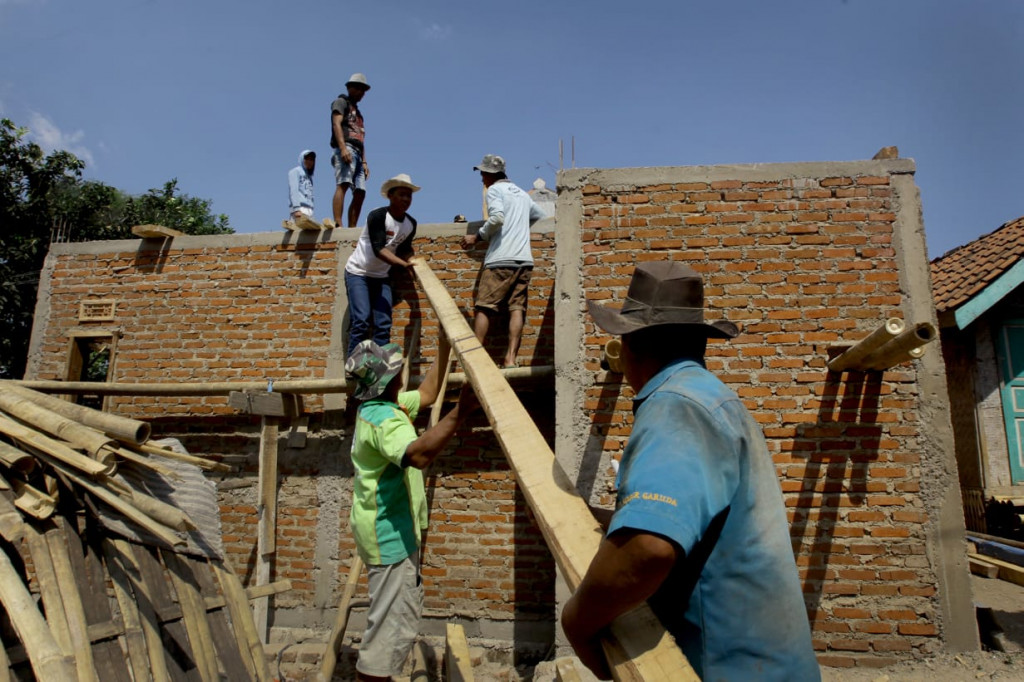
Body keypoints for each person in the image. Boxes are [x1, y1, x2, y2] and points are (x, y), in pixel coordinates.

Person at [561, 261, 820, 681]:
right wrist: (605, 522)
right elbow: (692, 532)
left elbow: (650, 548)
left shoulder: (675, 406)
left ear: (631, 345)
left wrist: (577, 621)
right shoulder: (710, 398)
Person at [345, 339, 478, 681]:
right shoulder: (384, 419)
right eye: (397, 366)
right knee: (388, 637)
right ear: (392, 378)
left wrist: (445, 345)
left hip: (387, 528)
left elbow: (429, 393)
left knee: (392, 623)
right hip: (388, 534)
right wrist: (461, 412)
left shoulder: (383, 405)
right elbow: (417, 455)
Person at [460, 154, 545, 368]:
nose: (481, 178)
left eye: (482, 174)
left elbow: (497, 218)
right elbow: (538, 215)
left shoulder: (494, 190)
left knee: (484, 307)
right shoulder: (523, 195)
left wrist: (476, 236)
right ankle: (510, 359)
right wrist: (518, 226)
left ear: (490, 174)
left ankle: (476, 359)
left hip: (500, 259)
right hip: (524, 260)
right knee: (517, 307)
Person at [344, 174, 420, 358]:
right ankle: (353, 365)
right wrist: (404, 265)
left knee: (383, 323)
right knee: (361, 320)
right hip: (358, 273)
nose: (406, 200)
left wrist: (415, 262)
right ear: (390, 196)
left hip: (381, 278)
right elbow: (379, 250)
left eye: (409, 196)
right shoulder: (378, 216)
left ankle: (378, 367)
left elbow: (404, 249)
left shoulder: (410, 224)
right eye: (402, 195)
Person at [330, 73, 370, 227]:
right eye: (359, 89)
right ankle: (338, 224)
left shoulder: (359, 114)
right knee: (343, 183)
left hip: (358, 153)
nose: (362, 93)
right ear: (350, 88)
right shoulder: (341, 102)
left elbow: (361, 138)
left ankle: (352, 228)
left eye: (363, 90)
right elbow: (336, 124)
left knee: (360, 192)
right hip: (346, 147)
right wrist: (342, 148)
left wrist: (365, 162)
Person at [287, 150, 318, 228]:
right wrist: (296, 209)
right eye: (307, 159)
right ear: (302, 159)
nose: (309, 161)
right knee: (298, 234)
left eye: (311, 160)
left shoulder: (309, 177)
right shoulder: (295, 171)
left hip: (309, 209)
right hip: (300, 208)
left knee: (309, 237)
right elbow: (294, 191)